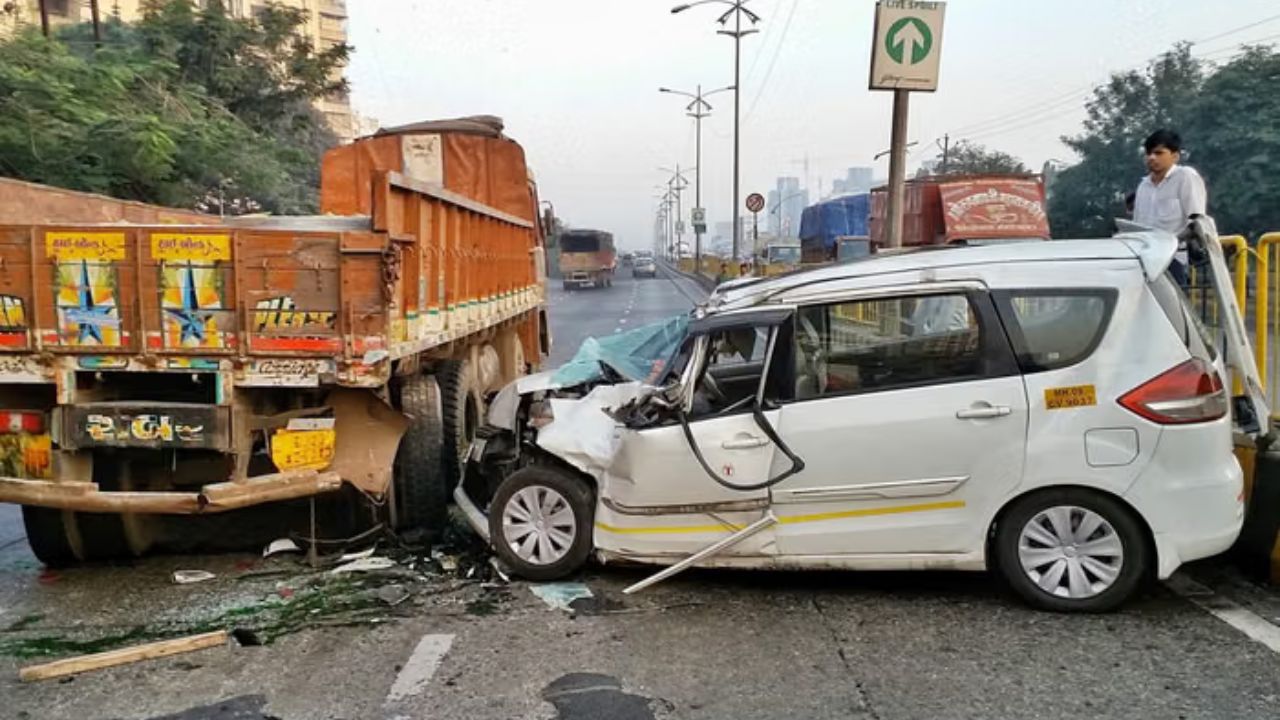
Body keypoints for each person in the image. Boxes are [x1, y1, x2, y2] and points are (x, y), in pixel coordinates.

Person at [1131, 129, 1207, 288]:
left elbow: (1197, 220)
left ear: (1175, 156)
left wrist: (1171, 243)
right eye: (1149, 153)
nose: (1152, 157)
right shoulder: (1143, 186)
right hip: (1143, 260)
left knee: (1171, 303)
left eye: (1159, 153)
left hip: (1172, 259)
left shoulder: (1185, 177)